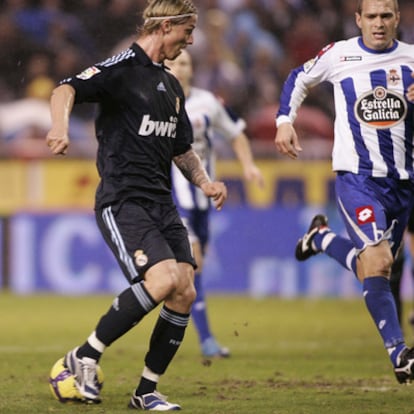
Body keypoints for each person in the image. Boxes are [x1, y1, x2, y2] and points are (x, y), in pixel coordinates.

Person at [46, 0, 228, 410]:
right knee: (162, 280)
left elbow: (182, 149)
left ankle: (145, 391)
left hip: (162, 204)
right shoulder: (120, 69)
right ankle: (84, 355)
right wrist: (59, 126)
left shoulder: (171, 87)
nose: (191, 39)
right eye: (187, 30)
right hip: (123, 200)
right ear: (166, 26)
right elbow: (65, 88)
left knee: (183, 290)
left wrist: (205, 182)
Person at [275, 0, 414, 384]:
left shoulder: (412, 60)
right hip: (359, 179)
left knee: (373, 268)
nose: (379, 23)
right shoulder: (340, 54)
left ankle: (321, 239)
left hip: (403, 183)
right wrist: (285, 120)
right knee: (381, 262)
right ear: (358, 20)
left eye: (387, 15)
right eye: (371, 16)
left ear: (397, 18)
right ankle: (399, 353)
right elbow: (298, 78)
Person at [165, 50, 264, 358]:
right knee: (193, 264)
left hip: (203, 199)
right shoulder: (155, 102)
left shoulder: (208, 103)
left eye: (185, 63)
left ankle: (181, 327)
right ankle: (205, 338)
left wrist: (248, 165)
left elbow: (237, 133)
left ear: (192, 69)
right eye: (173, 63)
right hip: (173, 197)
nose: (179, 68)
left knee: (192, 272)